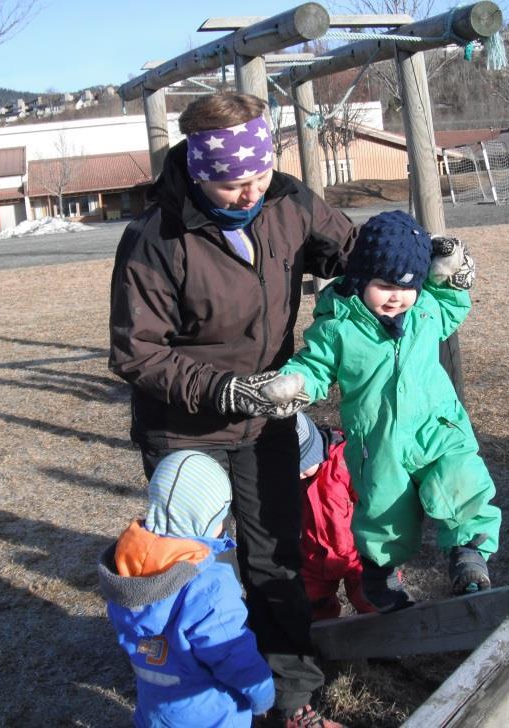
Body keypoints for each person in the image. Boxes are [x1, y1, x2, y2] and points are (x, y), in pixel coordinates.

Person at [109, 92, 356, 727]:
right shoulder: (154, 238)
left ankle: (291, 697)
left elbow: (350, 249)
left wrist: (413, 255)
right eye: (230, 183)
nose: (249, 193)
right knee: (196, 572)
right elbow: (137, 353)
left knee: (275, 551)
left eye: (258, 176)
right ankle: (204, 700)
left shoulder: (288, 202)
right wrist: (225, 389)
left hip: (266, 418)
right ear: (198, 172)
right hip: (184, 429)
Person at [272, 210, 502, 612]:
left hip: (438, 427)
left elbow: (451, 302)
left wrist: (452, 272)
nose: (397, 296)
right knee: (384, 509)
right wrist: (295, 383)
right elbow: (316, 365)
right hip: (378, 441)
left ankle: (468, 552)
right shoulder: (339, 327)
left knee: (461, 480)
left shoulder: (426, 309)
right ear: (360, 279)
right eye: (384, 286)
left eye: (407, 286)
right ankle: (380, 573)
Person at [98, 450, 275, 727]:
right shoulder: (209, 583)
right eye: (220, 515)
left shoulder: (126, 566)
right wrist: (263, 694)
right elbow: (231, 652)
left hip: (154, 713)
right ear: (203, 520)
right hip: (212, 717)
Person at [296, 412, 377, 621]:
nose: (299, 474)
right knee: (313, 602)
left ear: (314, 452)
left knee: (371, 599)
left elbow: (369, 501)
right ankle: (325, 644)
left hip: (356, 552)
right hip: (315, 555)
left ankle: (383, 646)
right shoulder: (295, 479)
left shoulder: (345, 461)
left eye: (303, 468)